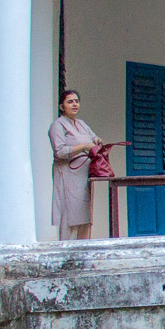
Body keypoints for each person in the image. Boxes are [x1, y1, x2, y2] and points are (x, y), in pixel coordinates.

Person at [48, 89, 102, 240]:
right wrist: (83, 146)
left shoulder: (81, 124)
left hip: (84, 175)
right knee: (70, 217)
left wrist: (96, 140)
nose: (74, 104)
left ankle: (84, 250)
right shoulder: (58, 125)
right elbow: (59, 151)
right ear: (62, 106)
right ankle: (67, 251)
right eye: (70, 102)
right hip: (68, 176)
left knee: (85, 217)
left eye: (76, 101)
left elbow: (93, 137)